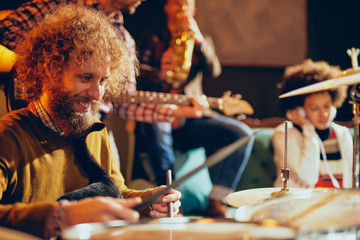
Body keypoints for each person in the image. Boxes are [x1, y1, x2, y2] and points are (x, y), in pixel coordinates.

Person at [0, 4, 181, 239]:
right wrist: (60, 217)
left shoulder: (95, 131)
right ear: (51, 70)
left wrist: (150, 200)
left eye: (103, 81)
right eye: (86, 77)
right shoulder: (9, 136)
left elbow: (115, 194)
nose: (97, 95)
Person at [134, 0, 254, 217]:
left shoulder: (201, 39)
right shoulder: (151, 38)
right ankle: (171, 202)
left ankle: (217, 201)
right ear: (167, 7)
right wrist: (159, 73)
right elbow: (133, 75)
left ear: (193, 10)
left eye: (186, 4)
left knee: (243, 134)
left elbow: (214, 69)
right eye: (177, 3)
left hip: (191, 116)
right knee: (158, 126)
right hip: (157, 114)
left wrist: (199, 39)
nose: (181, 8)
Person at [273, 59, 352, 189]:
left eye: (327, 106)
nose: (323, 114)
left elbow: (349, 182)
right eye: (314, 108)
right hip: (299, 206)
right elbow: (308, 178)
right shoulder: (284, 134)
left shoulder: (342, 134)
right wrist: (308, 130)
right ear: (300, 109)